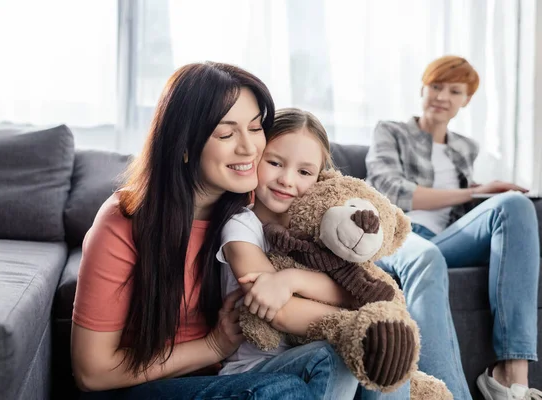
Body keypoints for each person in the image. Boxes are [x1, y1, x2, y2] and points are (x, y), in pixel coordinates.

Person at [70, 62, 317, 399]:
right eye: (227, 134)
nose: (249, 148)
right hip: (139, 388)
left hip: (228, 377)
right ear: (184, 145)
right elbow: (92, 371)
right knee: (281, 391)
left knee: (350, 358)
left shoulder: (255, 200)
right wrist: (212, 346)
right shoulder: (124, 221)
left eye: (256, 127)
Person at [366, 55, 541, 400]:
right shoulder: (391, 130)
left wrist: (490, 193)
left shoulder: (465, 147)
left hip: (445, 239)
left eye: (455, 90)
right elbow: (390, 190)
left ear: (467, 100)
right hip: (402, 236)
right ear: (422, 88)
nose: (443, 96)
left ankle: (510, 379)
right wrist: (475, 191)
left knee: (515, 205)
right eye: (436, 86)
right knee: (426, 252)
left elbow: (464, 204)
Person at [216, 107, 402, 400]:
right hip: (256, 368)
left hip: (308, 352)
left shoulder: (323, 228)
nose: (287, 180)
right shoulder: (241, 226)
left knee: (387, 353)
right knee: (347, 349)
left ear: (319, 178)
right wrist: (360, 320)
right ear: (256, 158)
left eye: (304, 172)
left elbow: (360, 288)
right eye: (275, 163)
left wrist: (292, 280)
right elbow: (279, 311)